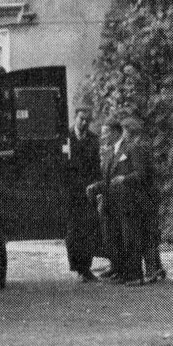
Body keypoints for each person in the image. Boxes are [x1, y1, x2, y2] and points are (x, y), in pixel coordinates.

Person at [119, 115, 166, 283]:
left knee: (142, 234)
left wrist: (123, 179)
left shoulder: (135, 148)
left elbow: (140, 173)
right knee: (149, 234)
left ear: (129, 132)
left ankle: (151, 271)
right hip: (148, 196)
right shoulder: (144, 146)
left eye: (124, 130)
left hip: (141, 197)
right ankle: (154, 269)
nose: (122, 134)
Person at [61, 108, 104, 283]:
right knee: (72, 230)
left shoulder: (94, 140)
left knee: (88, 230)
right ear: (75, 118)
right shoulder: (65, 137)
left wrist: (97, 188)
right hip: (70, 192)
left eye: (87, 120)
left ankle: (86, 268)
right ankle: (76, 266)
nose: (84, 123)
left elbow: (97, 167)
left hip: (87, 191)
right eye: (81, 119)